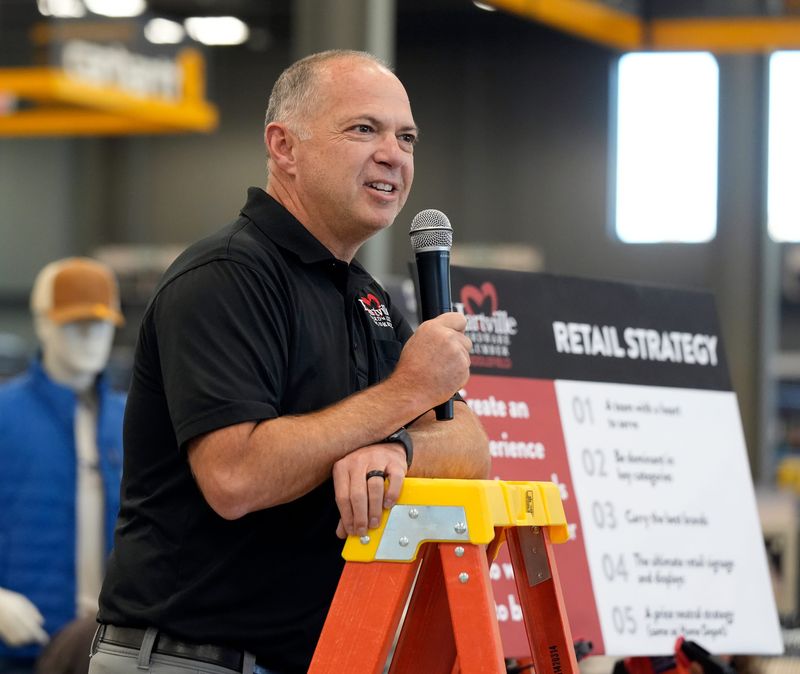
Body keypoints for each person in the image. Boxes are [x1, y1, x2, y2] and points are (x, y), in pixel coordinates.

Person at [89, 49, 490, 674]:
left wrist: (399, 451)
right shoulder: (226, 277)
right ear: (284, 147)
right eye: (364, 129)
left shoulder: (365, 295)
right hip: (190, 660)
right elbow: (236, 479)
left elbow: (469, 444)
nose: (394, 153)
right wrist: (400, 396)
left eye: (406, 136)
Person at [0, 257, 125, 674]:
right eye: (76, 323)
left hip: (109, 651)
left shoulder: (134, 420)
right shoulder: (5, 415)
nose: (91, 337)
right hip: (21, 648)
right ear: (42, 323)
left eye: (102, 323)